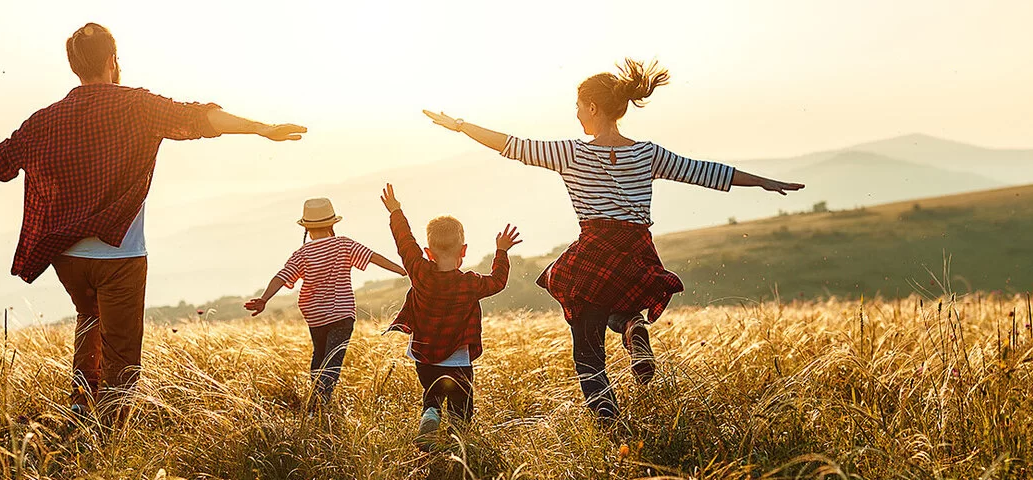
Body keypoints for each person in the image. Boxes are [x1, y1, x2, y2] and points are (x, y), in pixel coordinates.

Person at [0, 23, 307, 423]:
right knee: (123, 352)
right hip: (120, 256)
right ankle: (109, 435)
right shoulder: (138, 106)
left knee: (88, 319)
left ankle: (80, 405)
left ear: (75, 66)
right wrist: (261, 129)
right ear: (113, 59)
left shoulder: (45, 120)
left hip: (67, 257)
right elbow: (199, 118)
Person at [422, 58, 804, 426]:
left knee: (587, 352)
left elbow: (511, 144)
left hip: (595, 249)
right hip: (637, 250)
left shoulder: (571, 152)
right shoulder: (647, 153)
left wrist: (459, 126)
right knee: (618, 305)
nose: (575, 115)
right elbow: (705, 172)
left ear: (592, 106)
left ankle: (610, 425)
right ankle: (632, 327)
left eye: (577, 106)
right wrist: (764, 182)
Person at [378, 183, 517, 451]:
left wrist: (396, 211)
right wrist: (501, 251)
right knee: (461, 409)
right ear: (463, 251)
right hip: (458, 359)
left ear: (428, 252)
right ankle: (457, 447)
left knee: (432, 396)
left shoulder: (420, 271)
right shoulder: (470, 283)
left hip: (423, 356)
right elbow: (498, 281)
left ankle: (430, 413)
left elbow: (405, 242)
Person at [244, 198, 406, 409]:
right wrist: (402, 270)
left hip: (315, 316)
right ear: (332, 224)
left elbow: (282, 276)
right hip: (341, 314)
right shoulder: (344, 244)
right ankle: (319, 405)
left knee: (319, 356)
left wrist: (264, 299)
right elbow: (373, 257)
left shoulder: (302, 254)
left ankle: (315, 402)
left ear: (307, 229)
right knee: (333, 360)